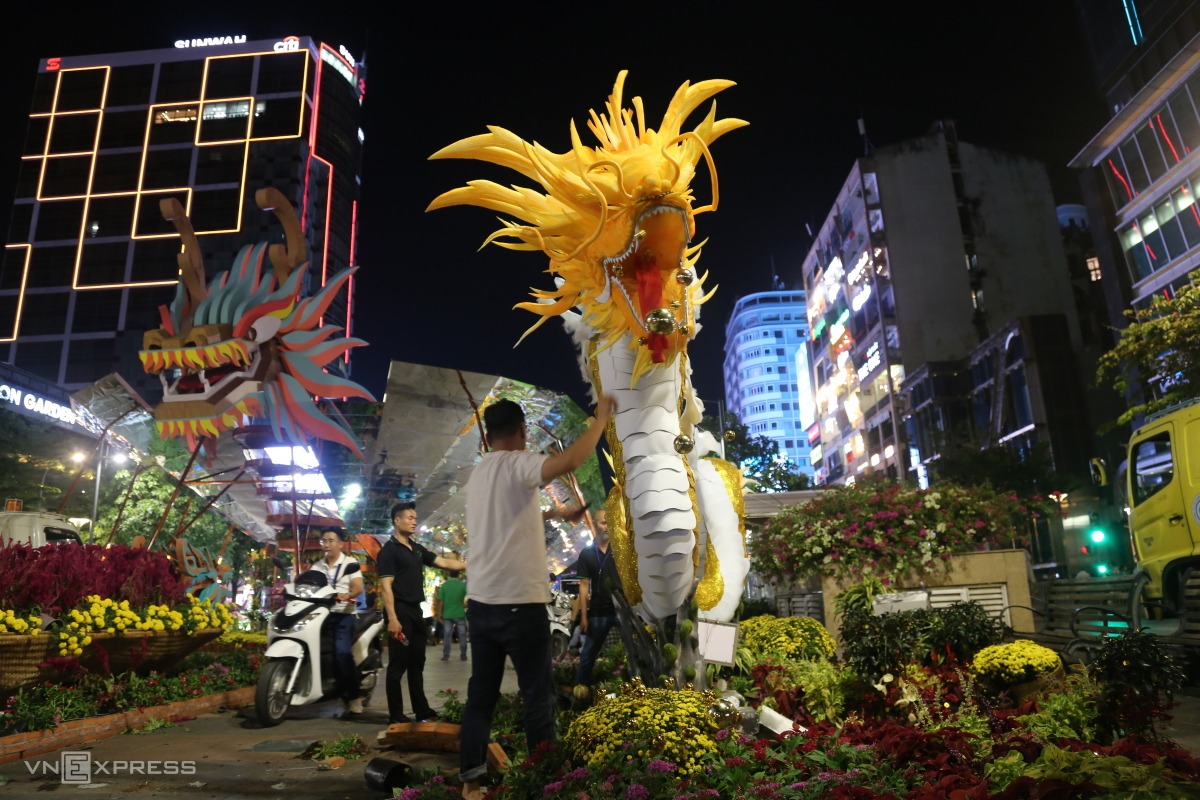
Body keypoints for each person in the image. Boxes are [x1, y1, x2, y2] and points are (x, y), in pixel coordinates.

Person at [458, 395, 616, 800]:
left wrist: (553, 516)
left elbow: (508, 513)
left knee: (481, 696)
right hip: (520, 604)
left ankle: (471, 783)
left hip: (482, 604)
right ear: (521, 432)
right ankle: (546, 781)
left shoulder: (479, 475)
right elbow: (569, 462)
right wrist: (599, 420)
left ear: (489, 434)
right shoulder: (518, 462)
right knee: (537, 695)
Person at [377, 502, 466, 725]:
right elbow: (386, 587)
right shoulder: (388, 551)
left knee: (417, 663)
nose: (414, 521)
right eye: (409, 517)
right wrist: (393, 619)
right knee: (398, 666)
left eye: (415, 517)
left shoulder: (416, 549)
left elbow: (443, 562)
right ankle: (395, 715)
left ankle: (422, 710)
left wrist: (472, 564)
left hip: (416, 612)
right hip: (400, 612)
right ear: (397, 521)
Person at [311, 529, 365, 714]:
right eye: (323, 540)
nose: (326, 544)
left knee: (342, 653)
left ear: (340, 544)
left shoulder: (350, 563)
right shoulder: (317, 566)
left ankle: (354, 696)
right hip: (320, 615)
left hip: (344, 614)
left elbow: (357, 586)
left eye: (331, 540)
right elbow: (306, 584)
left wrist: (348, 594)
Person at [573, 508, 620, 686]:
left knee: (636, 651)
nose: (608, 527)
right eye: (603, 523)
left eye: (610, 522)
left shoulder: (619, 549)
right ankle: (580, 692)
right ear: (594, 525)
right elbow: (583, 587)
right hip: (599, 611)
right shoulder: (586, 554)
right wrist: (584, 616)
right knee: (588, 655)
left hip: (622, 609)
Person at [437, 557, 468, 661]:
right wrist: (463, 606)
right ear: (458, 575)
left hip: (447, 614)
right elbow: (469, 597)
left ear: (449, 575)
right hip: (459, 613)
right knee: (462, 635)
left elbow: (441, 601)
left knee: (447, 636)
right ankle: (463, 655)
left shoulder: (444, 586)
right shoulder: (462, 586)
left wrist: (439, 614)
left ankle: (446, 655)